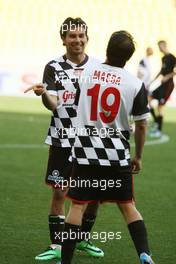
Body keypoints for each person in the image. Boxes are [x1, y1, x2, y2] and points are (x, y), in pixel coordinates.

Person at [60, 31, 155, 264]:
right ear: (129, 57)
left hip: (85, 153)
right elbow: (142, 125)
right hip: (116, 156)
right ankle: (145, 254)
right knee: (128, 206)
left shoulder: (86, 74)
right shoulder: (135, 84)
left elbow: (75, 106)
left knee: (78, 206)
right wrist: (138, 157)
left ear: (106, 49)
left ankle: (64, 262)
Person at [25, 17, 104, 261]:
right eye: (72, 36)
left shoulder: (99, 67)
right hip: (62, 138)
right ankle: (57, 245)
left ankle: (82, 239)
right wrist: (44, 94)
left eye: (81, 36)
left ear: (87, 38)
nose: (77, 40)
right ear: (63, 39)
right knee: (60, 192)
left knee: (93, 195)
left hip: (90, 140)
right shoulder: (53, 67)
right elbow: (53, 104)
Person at [148, 40, 176, 137]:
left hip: (169, 85)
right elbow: (161, 70)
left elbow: (174, 71)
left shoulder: (172, 57)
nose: (159, 49)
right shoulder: (163, 58)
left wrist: (168, 76)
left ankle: (158, 130)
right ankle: (156, 122)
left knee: (160, 107)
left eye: (160, 46)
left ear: (164, 46)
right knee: (148, 99)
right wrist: (153, 80)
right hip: (162, 84)